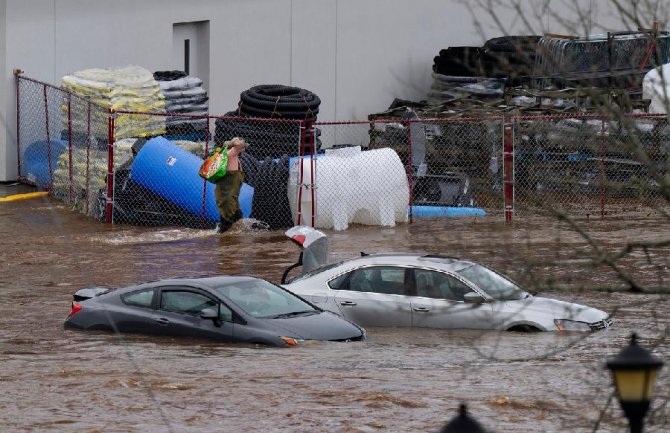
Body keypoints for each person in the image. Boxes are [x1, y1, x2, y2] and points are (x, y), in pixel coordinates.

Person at [214, 137, 247, 233]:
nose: (243, 149)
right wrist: (235, 143)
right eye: (242, 147)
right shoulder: (231, 153)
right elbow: (238, 144)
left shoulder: (228, 155)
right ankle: (223, 239)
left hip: (230, 196)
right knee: (227, 222)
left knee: (237, 216)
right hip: (227, 196)